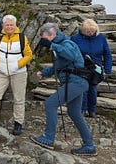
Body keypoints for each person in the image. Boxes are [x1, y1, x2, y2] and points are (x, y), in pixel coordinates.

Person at [31, 22, 97, 157]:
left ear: (52, 34)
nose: (43, 40)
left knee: (50, 103)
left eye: (43, 37)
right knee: (74, 113)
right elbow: (60, 65)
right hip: (75, 82)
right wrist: (44, 72)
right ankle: (89, 146)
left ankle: (48, 138)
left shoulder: (67, 43)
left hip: (76, 82)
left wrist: (52, 45)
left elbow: (70, 55)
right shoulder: (60, 44)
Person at [0, 15, 33, 135]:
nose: (9, 27)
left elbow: (28, 55)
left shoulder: (22, 37)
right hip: (2, 72)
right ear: (3, 25)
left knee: (19, 99)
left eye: (11, 25)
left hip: (18, 73)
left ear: (15, 25)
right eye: (7, 25)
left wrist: (18, 65)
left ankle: (18, 123)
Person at [71, 19, 113, 118]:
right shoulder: (75, 38)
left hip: (96, 69)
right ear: (83, 30)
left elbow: (107, 54)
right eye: (88, 32)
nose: (90, 33)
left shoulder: (101, 38)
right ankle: (82, 110)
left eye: (92, 31)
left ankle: (92, 110)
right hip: (81, 68)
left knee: (93, 89)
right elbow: (70, 52)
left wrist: (107, 69)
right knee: (83, 89)